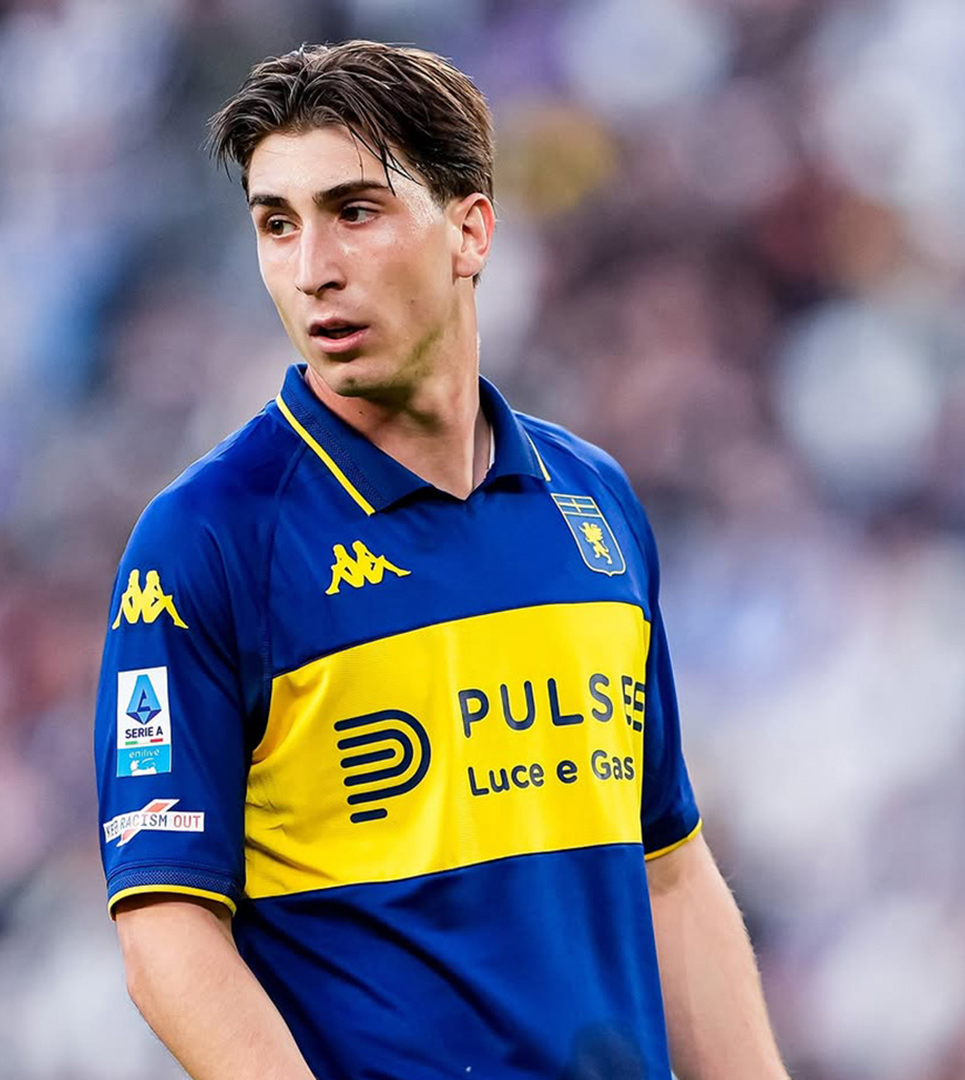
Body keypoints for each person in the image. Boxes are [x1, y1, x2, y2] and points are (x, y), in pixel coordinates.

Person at [93, 40, 787, 1080]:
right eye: (276, 224)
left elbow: (667, 869)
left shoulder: (590, 503)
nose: (311, 267)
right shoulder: (207, 540)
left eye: (355, 212)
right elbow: (166, 934)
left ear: (471, 230)